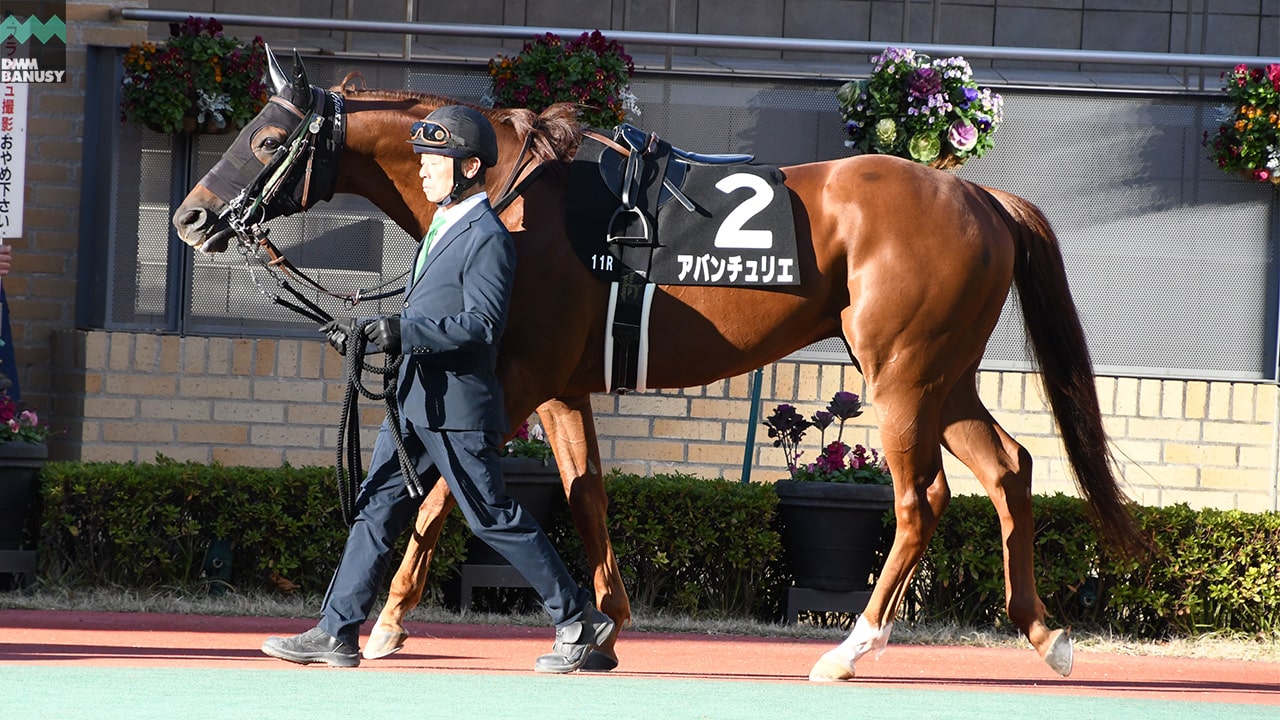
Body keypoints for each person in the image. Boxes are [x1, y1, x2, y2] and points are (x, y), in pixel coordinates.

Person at [262, 105, 612, 673]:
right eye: (422, 158)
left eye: (436, 160)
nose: (424, 169)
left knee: (489, 516)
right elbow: (431, 307)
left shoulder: (488, 237)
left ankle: (578, 619)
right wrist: (368, 333)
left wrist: (404, 330)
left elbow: (482, 325)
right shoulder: (443, 227)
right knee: (376, 507)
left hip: (454, 407)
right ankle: (335, 632)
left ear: (470, 166)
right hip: (414, 398)